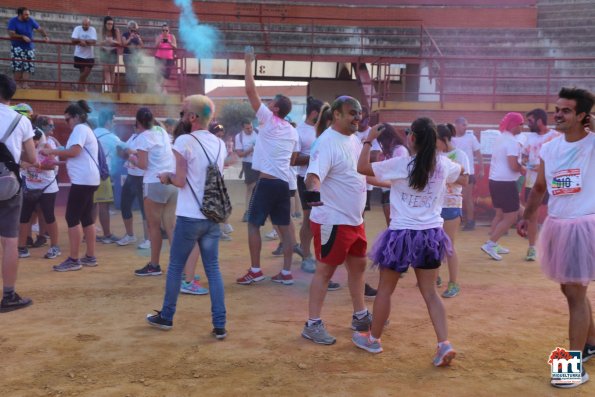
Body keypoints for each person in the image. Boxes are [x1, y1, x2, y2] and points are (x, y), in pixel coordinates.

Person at [353, 117, 461, 365]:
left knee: (386, 291)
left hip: (402, 234)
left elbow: (362, 168)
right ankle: (444, 343)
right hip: (430, 233)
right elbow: (459, 172)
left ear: (411, 138)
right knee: (430, 292)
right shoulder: (443, 164)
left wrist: (369, 140)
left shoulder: (402, 164)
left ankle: (374, 340)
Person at [518, 87, 595, 388]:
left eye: (566, 110)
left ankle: (572, 368)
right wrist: (527, 218)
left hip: (585, 226)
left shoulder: (592, 143)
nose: (558, 114)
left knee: (575, 292)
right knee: (570, 289)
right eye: (557, 109)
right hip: (559, 225)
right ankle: (590, 342)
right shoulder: (549, 148)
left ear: (582, 116)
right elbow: (539, 188)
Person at [146, 94, 227, 339]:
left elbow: (180, 181)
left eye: (183, 113)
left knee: (175, 267)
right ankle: (220, 324)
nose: (181, 117)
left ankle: (167, 316)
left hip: (190, 216)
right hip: (211, 215)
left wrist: (166, 177)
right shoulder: (220, 144)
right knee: (213, 269)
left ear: (192, 117)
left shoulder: (184, 141)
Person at [300, 96, 371, 345]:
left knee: (359, 265)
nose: (357, 118)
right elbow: (313, 176)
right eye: (352, 113)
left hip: (353, 219)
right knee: (325, 270)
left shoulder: (355, 140)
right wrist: (314, 195)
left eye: (359, 113)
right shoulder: (326, 142)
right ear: (337, 115)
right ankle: (312, 324)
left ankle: (360, 315)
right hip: (333, 219)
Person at [235, 47, 300, 286]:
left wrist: (248, 63)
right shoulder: (292, 130)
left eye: (271, 101)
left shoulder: (267, 120)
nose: (268, 102)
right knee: (285, 228)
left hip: (266, 182)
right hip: (284, 183)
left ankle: (255, 270)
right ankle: (285, 272)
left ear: (275, 109)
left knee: (253, 224)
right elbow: (293, 158)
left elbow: (250, 90)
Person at [40, 100, 100, 272]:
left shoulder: (80, 129)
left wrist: (51, 151)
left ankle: (74, 259)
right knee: (86, 219)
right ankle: (90, 256)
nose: (67, 123)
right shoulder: (86, 129)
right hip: (89, 179)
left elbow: (74, 152)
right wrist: (59, 161)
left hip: (82, 180)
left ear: (75, 117)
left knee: (72, 218)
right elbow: (77, 157)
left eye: (67, 119)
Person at [0, 73, 37, 312]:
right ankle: (9, 295)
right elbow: (32, 158)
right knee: (10, 241)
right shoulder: (21, 121)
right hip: (8, 184)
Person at [132, 108, 177, 276]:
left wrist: (130, 158)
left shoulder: (143, 137)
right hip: (171, 180)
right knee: (171, 226)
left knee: (154, 227)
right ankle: (177, 265)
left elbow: (143, 165)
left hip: (154, 182)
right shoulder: (161, 131)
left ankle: (154, 265)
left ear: (138, 122)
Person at [481, 112, 526, 261]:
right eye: (521, 124)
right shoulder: (512, 142)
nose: (523, 126)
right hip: (506, 183)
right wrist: (523, 168)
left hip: (495, 180)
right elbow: (513, 166)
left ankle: (493, 243)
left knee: (499, 215)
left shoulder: (500, 138)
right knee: (511, 217)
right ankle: (491, 243)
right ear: (514, 125)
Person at [17, 123, 60, 260]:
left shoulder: (46, 146)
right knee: (24, 216)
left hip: (47, 186)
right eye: (31, 140)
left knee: (49, 215)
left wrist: (35, 164)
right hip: (30, 185)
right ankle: (21, 247)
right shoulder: (21, 148)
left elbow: (52, 165)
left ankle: (55, 246)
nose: (33, 142)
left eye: (35, 139)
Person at [521, 108, 559, 261]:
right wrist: (525, 162)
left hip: (553, 181)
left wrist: (544, 166)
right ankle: (531, 248)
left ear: (539, 120)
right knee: (532, 217)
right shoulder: (529, 137)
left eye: (530, 121)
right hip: (532, 181)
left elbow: (560, 159)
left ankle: (554, 249)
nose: (528, 124)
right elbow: (523, 156)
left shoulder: (556, 137)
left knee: (556, 216)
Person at [436, 123, 469, 298]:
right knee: (435, 244)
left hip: (451, 203)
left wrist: (445, 175)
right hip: (435, 205)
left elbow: (465, 181)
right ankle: (436, 277)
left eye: (436, 140)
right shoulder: (437, 155)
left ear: (443, 139)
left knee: (448, 246)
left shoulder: (460, 155)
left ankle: (453, 283)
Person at [294, 96, 323, 273]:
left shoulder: (323, 130)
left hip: (323, 180)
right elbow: (294, 160)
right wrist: (316, 157)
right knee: (309, 218)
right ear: (314, 113)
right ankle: (306, 255)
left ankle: (320, 255)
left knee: (321, 218)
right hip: (306, 180)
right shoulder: (299, 131)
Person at [116, 120, 150, 249]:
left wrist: (128, 152)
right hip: (131, 174)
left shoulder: (146, 138)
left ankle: (148, 239)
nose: (136, 128)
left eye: (137, 126)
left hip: (142, 176)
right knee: (125, 204)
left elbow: (139, 156)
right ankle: (130, 235)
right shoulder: (134, 137)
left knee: (144, 208)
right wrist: (122, 151)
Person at [94, 110, 124, 244]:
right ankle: (106, 234)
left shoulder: (92, 133)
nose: (114, 123)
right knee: (104, 205)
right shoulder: (112, 137)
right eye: (113, 120)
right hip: (102, 174)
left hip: (89, 173)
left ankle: (88, 232)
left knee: (91, 204)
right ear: (108, 122)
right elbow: (125, 150)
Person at [452, 117, 484, 231]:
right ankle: (454, 220)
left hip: (468, 172)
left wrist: (481, 169)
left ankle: (470, 221)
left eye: (466, 125)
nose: (466, 127)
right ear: (456, 124)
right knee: (453, 197)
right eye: (463, 125)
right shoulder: (451, 139)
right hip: (453, 172)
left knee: (467, 197)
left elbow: (478, 154)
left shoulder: (471, 137)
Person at [375, 123, 409, 226]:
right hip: (387, 193)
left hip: (395, 193)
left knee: (394, 227)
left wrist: (380, 180)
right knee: (391, 227)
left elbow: (400, 177)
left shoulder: (399, 150)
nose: (380, 144)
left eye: (381, 140)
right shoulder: (389, 151)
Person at [7, 7, 49, 89]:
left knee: (28, 67)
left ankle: (25, 84)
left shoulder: (30, 20)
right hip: (17, 47)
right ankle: (16, 84)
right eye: (26, 14)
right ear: (20, 14)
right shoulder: (13, 21)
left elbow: (39, 29)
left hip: (29, 47)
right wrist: (22, 36)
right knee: (17, 67)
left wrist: (45, 36)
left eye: (28, 14)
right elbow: (11, 34)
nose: (28, 16)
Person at [234, 119, 258, 223]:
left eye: (251, 127)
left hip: (260, 163)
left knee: (259, 187)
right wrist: (251, 149)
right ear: (243, 128)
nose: (250, 130)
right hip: (248, 164)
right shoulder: (239, 137)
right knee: (250, 187)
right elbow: (240, 154)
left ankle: (257, 211)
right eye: (247, 128)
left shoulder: (258, 133)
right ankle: (247, 211)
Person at [71, 18, 97, 91]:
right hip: (79, 54)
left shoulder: (92, 29)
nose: (85, 26)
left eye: (87, 25)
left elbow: (94, 41)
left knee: (86, 73)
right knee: (82, 72)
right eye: (84, 25)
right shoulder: (77, 28)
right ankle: (84, 89)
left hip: (89, 56)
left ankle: (77, 84)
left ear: (89, 25)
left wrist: (84, 42)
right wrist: (80, 40)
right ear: (82, 24)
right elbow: (73, 40)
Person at [99, 16, 120, 93]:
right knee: (106, 70)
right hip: (104, 51)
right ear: (105, 24)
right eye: (108, 24)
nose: (110, 25)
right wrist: (105, 41)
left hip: (113, 51)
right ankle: (109, 89)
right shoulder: (102, 30)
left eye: (111, 24)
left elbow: (119, 42)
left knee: (112, 70)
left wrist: (113, 42)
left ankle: (111, 88)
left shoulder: (116, 30)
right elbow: (99, 42)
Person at [121, 21, 143, 93]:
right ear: (129, 28)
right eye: (132, 28)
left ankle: (134, 88)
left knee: (135, 72)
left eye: (134, 28)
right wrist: (130, 38)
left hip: (135, 56)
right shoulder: (125, 34)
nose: (133, 30)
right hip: (127, 55)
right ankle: (129, 89)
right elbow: (124, 44)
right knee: (129, 72)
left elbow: (141, 45)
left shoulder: (137, 35)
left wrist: (139, 39)